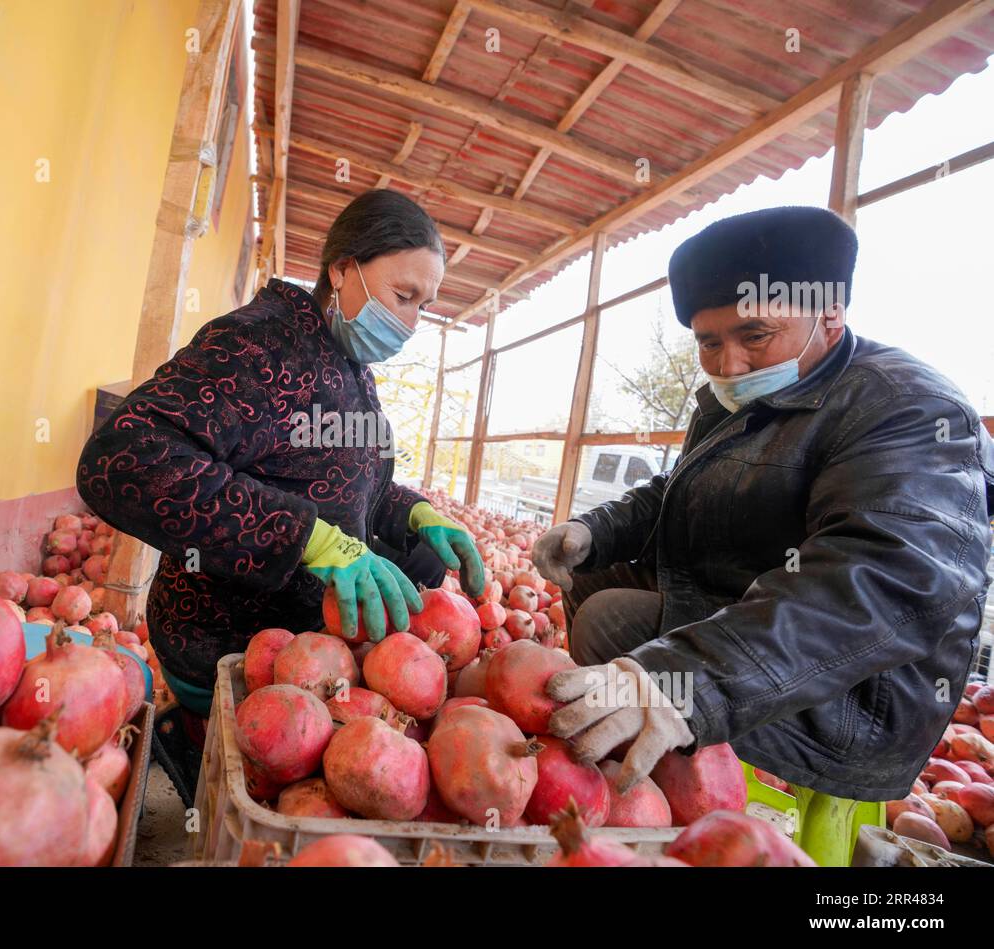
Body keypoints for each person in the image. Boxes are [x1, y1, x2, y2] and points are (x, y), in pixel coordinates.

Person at [532, 206, 994, 799]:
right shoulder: (739, 399)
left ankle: (679, 792)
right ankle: (642, 764)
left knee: (611, 619)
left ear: (829, 312)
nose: (730, 364)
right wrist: (593, 531)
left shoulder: (905, 406)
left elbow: (885, 580)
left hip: (857, 688)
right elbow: (676, 492)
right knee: (592, 576)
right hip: (762, 608)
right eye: (709, 342)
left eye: (755, 335)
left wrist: (687, 680)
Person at [77, 189, 485, 805]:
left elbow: (354, 487)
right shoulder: (259, 343)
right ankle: (189, 752)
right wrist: (303, 537)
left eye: (425, 305)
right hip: (230, 646)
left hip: (313, 659)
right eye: (404, 297)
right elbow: (124, 457)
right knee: (231, 785)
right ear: (341, 267)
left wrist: (416, 513)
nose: (410, 321)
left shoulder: (350, 364)